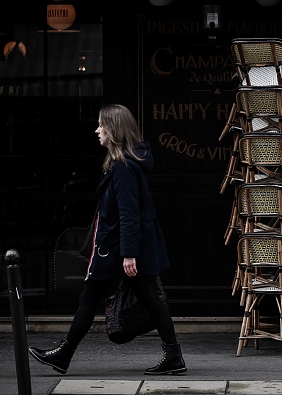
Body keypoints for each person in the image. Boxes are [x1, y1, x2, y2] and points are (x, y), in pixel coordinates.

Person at [28, 103, 187, 376]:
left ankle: (65, 354)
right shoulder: (122, 162)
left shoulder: (123, 167)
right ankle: (173, 355)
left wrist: (128, 254)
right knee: (150, 298)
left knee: (92, 298)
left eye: (101, 124)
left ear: (114, 129)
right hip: (125, 246)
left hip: (118, 249)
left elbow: (128, 214)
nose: (97, 129)